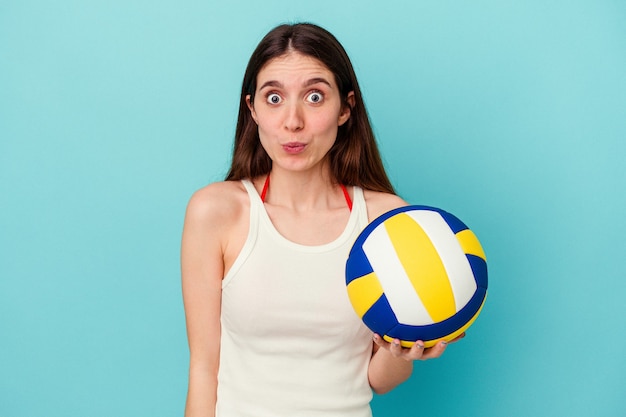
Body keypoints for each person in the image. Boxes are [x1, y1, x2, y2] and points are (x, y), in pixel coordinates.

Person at [181, 22, 457, 417]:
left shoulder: (385, 218)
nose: (292, 121)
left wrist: (404, 349)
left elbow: (378, 379)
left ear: (345, 108)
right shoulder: (217, 212)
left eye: (314, 96)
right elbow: (204, 369)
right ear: (252, 110)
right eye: (274, 97)